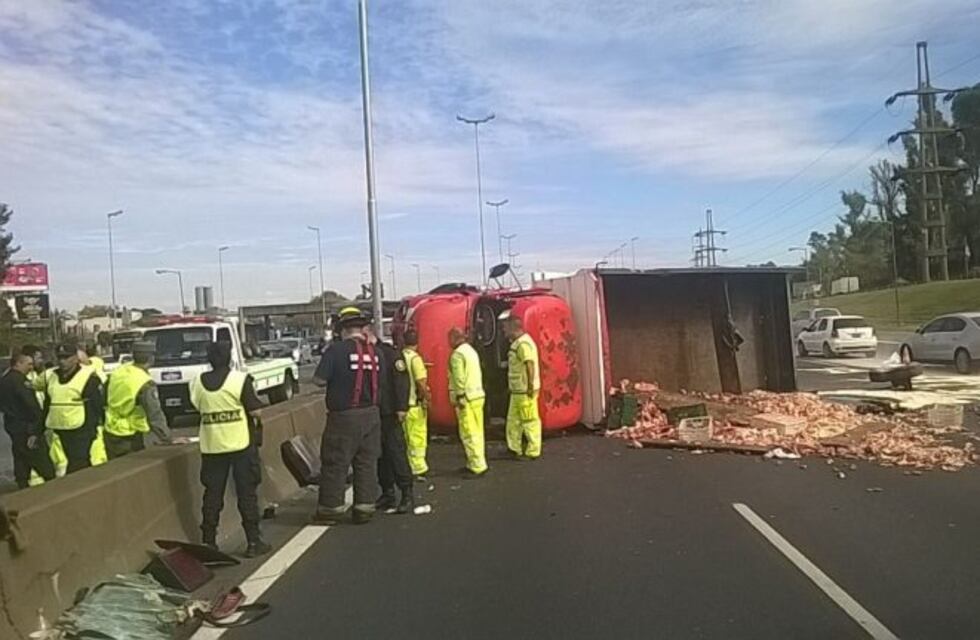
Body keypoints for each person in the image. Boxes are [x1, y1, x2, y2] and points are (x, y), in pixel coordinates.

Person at [189, 341, 270, 557]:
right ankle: (253, 542)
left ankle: (208, 542)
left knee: (212, 495)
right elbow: (255, 412)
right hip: (240, 445)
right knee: (246, 493)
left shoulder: (196, 382)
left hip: (212, 446)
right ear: (230, 358)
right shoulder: (239, 380)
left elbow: (197, 406)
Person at [312, 307, 382, 525]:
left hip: (343, 416)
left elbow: (319, 380)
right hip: (371, 414)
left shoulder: (336, 351)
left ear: (342, 330)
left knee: (336, 461)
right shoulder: (376, 353)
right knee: (366, 462)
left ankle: (331, 508)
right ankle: (365, 508)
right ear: (362, 329)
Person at [364, 322, 414, 515]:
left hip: (390, 411)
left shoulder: (389, 354)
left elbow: (401, 381)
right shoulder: (365, 355)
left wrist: (401, 407)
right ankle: (387, 492)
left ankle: (406, 492)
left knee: (396, 453)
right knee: (379, 455)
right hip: (373, 412)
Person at [104, 340, 171, 459]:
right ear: (151, 358)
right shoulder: (144, 382)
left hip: (110, 428)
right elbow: (154, 414)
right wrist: (167, 438)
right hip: (129, 433)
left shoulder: (120, 371)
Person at [43, 343, 103, 474]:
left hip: (82, 428)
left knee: (78, 462)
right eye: (60, 357)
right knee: (75, 460)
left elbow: (96, 404)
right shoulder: (52, 376)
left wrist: (93, 427)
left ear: (76, 358)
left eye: (66, 357)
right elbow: (48, 402)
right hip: (62, 428)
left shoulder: (88, 377)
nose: (62, 361)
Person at [0, 353, 55, 488]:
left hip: (13, 426)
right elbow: (31, 406)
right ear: (18, 363)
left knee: (20, 459)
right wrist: (36, 430)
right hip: (28, 427)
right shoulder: (20, 382)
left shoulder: (4, 380)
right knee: (43, 464)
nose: (31, 367)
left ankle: (22, 486)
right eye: (28, 364)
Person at [448, 327, 488, 476]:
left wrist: (460, 396)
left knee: (469, 433)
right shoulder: (471, 351)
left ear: (454, 338)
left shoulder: (457, 355)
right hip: (477, 395)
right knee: (478, 431)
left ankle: (476, 466)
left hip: (466, 399)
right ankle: (477, 462)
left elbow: (459, 378)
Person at [502, 315, 543, 459]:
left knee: (529, 420)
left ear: (513, 327)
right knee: (513, 420)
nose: (503, 331)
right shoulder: (517, 343)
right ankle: (514, 448)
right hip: (518, 390)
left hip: (525, 390)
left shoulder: (523, 344)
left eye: (505, 327)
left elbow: (529, 364)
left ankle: (533, 450)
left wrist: (530, 386)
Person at [401, 330, 430, 478]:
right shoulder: (415, 359)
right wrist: (426, 398)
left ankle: (407, 465)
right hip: (415, 405)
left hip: (403, 405)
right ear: (417, 342)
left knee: (406, 438)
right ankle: (418, 468)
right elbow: (420, 382)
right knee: (418, 437)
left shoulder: (399, 358)